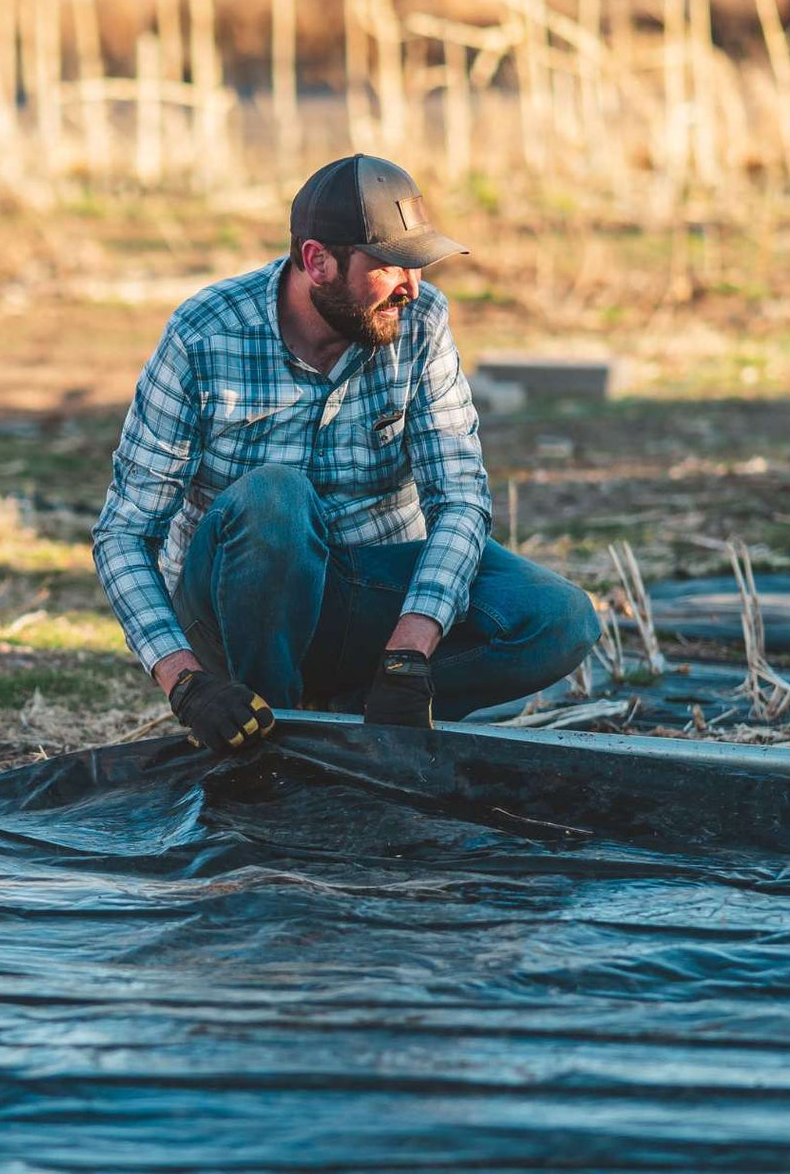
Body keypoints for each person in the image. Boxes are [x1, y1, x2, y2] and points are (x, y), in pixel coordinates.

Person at [92, 153, 600, 755]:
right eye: (391, 267)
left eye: (419, 266)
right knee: (275, 496)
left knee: (559, 617)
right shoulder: (204, 336)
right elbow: (124, 533)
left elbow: (460, 496)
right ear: (318, 262)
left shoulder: (423, 321)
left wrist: (410, 653)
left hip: (370, 589)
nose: (412, 287)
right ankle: (269, 732)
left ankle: (349, 722)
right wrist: (186, 684)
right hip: (235, 604)